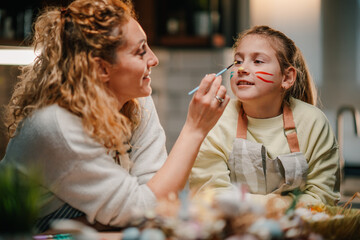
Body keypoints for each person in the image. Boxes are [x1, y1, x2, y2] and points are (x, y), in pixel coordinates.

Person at [0, 0, 230, 232]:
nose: (154, 59)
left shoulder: (137, 102)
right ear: (101, 68)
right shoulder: (57, 126)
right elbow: (141, 207)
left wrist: (76, 225)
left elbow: (157, 199)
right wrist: (195, 129)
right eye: (140, 52)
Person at [189, 25, 340, 207]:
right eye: (238, 61)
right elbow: (210, 195)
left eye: (258, 61)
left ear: (287, 78)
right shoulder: (216, 120)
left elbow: (322, 197)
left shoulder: (314, 123)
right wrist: (281, 205)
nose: (242, 68)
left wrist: (260, 207)